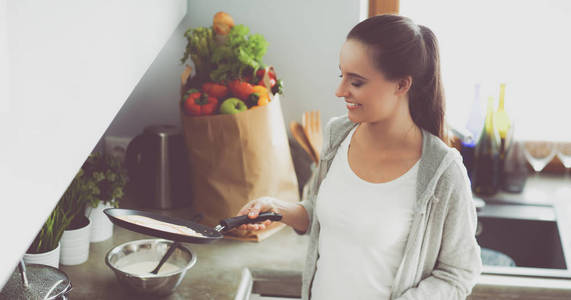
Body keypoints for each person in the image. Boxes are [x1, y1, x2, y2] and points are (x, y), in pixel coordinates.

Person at [236, 14, 482, 300]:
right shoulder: (337, 135)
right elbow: (322, 213)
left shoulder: (441, 171)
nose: (340, 91)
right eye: (342, 76)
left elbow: (459, 272)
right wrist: (279, 209)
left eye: (357, 82)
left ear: (402, 85)